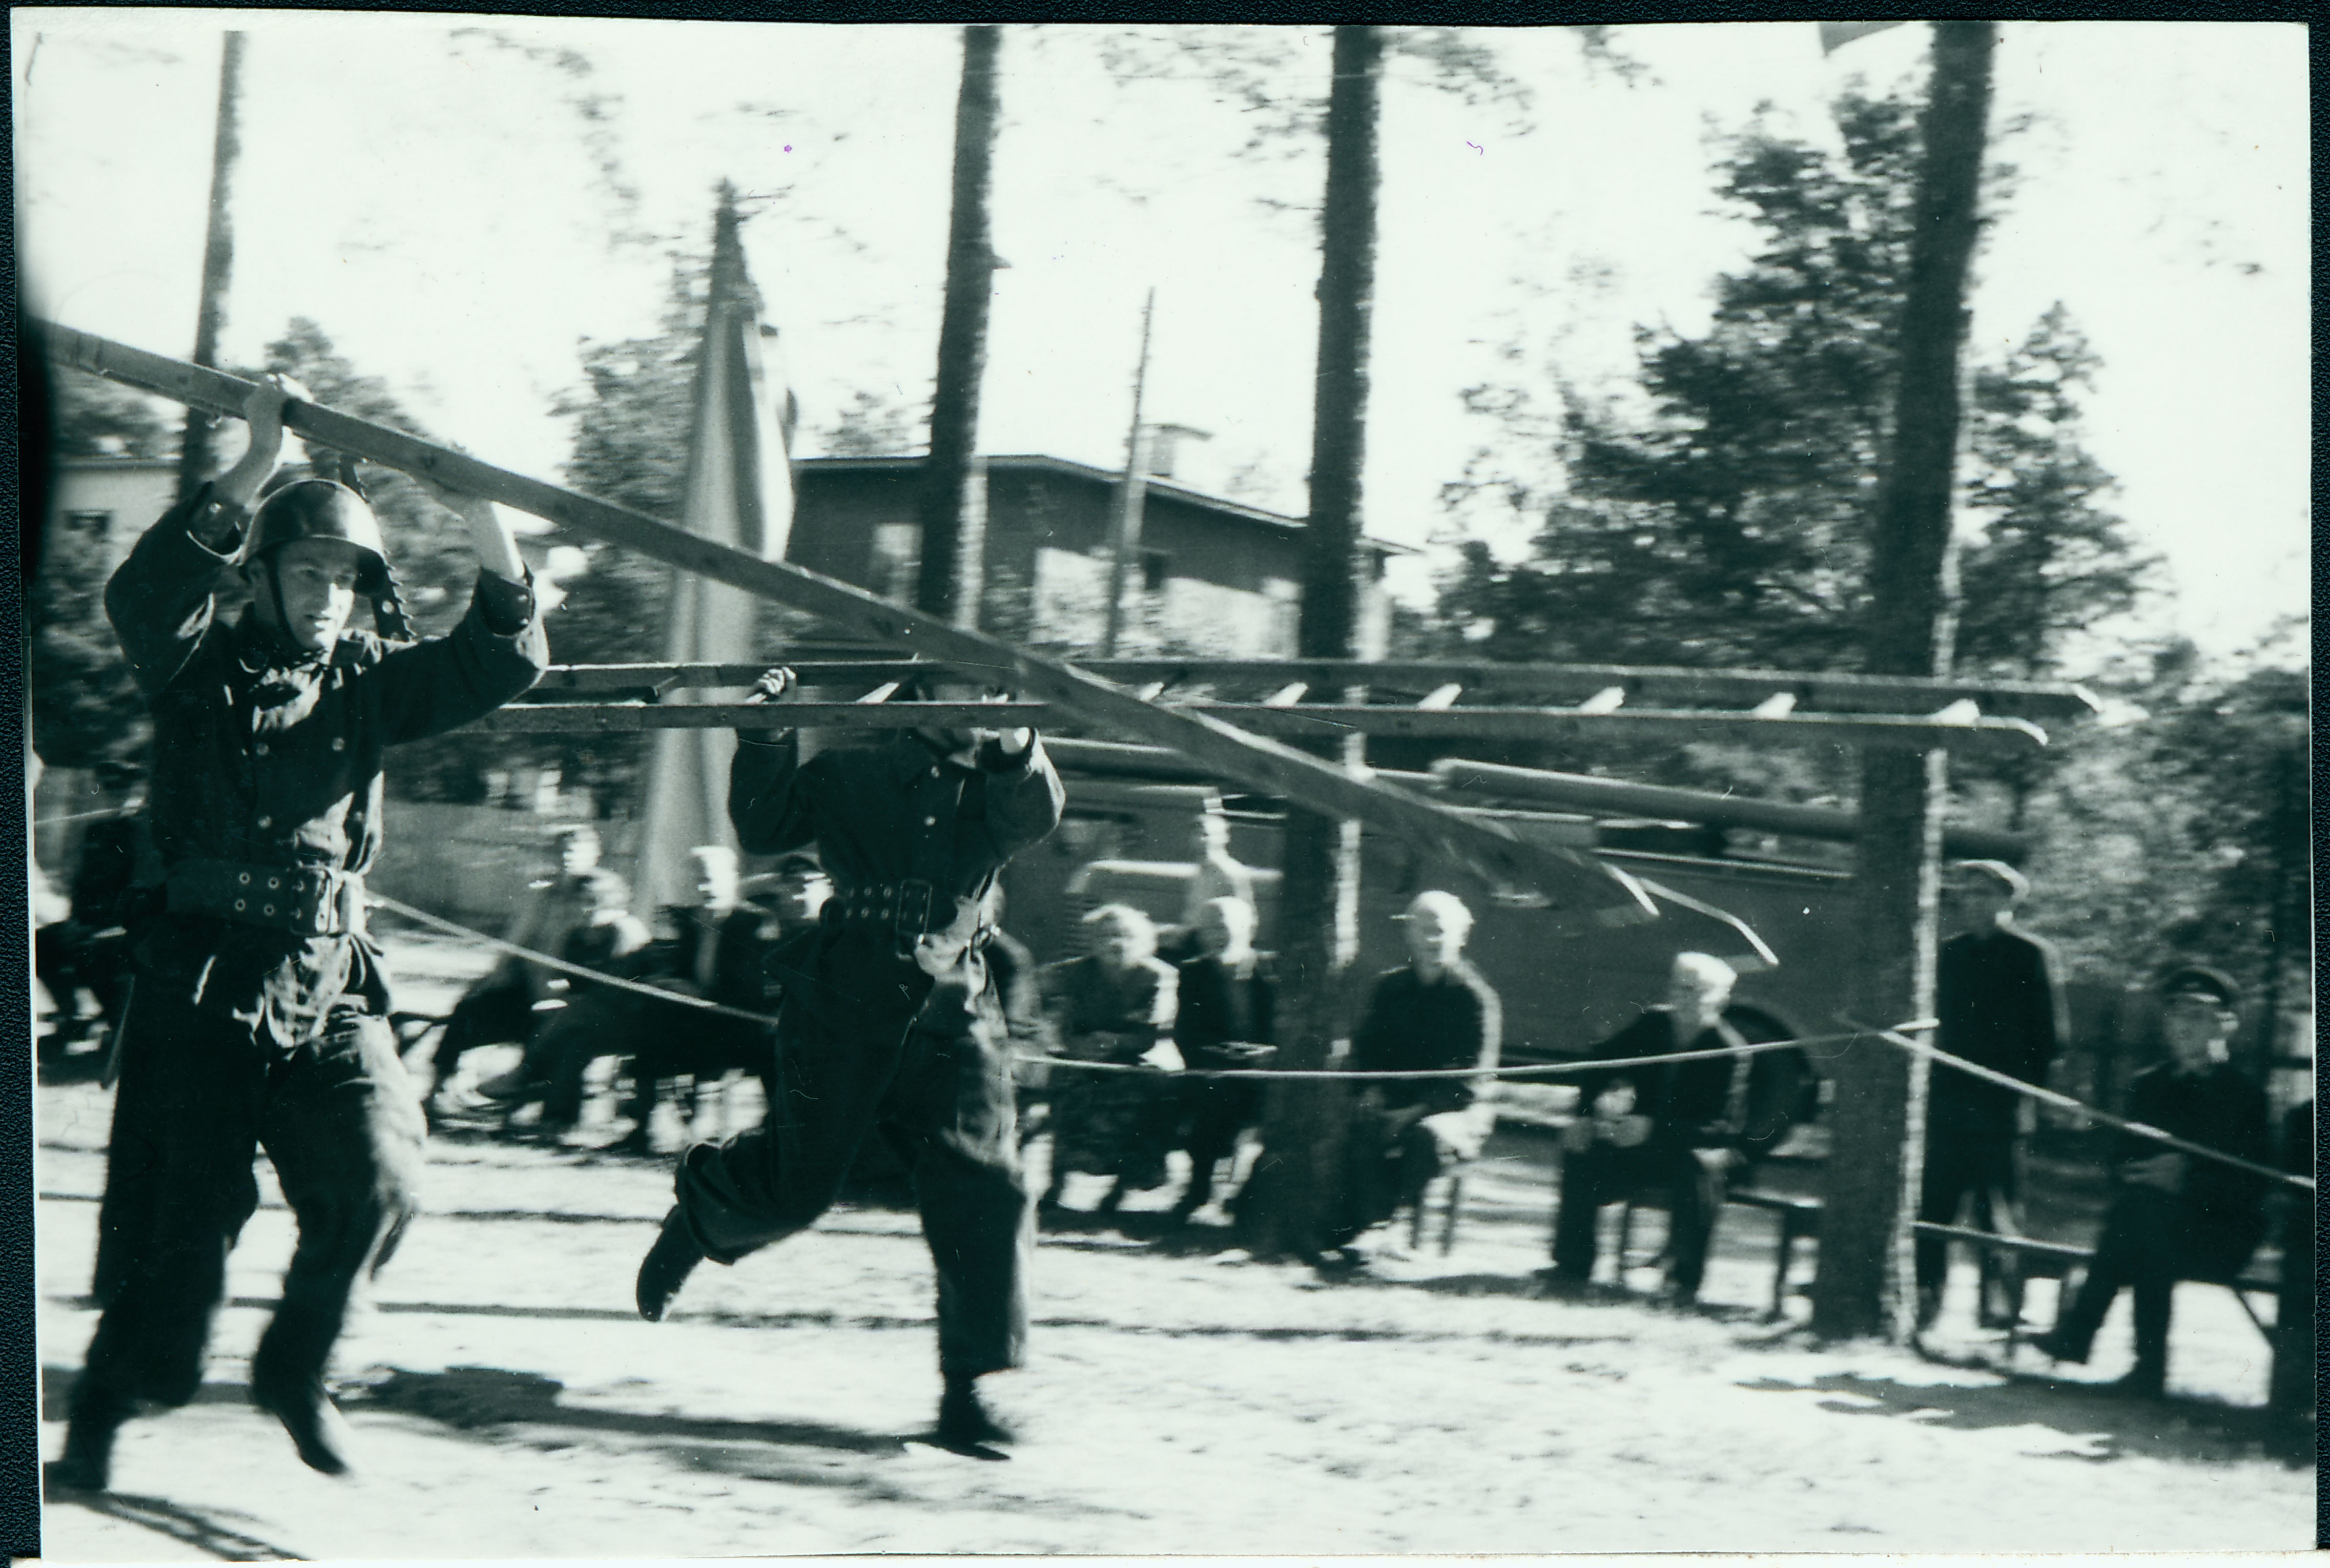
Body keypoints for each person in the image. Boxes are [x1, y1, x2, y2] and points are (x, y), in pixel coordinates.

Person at [51, 376, 547, 1493]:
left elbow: (503, 659)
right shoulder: (192, 665)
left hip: (329, 981)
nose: (329, 595)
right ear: (264, 578)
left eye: (346, 578)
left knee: (379, 1177)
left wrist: (479, 511)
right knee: (182, 1240)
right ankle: (111, 1404)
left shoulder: (371, 686)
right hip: (200, 984)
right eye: (311, 571)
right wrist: (259, 454)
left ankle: (296, 1370)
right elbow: (147, 592)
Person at [631, 666, 1065, 1452]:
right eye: (968, 689)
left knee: (984, 1180)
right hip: (843, 992)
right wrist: (766, 730)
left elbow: (1033, 817)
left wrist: (1018, 743)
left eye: (1001, 694)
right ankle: (699, 1215)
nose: (988, 705)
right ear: (922, 699)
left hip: (951, 1002)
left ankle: (967, 1394)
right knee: (800, 1183)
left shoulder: (1001, 785)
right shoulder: (854, 769)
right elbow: (762, 826)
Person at [2031, 965, 2272, 1397]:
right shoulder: (2148, 1087)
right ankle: (2144, 1370)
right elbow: (2118, 1163)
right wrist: (2134, 1173)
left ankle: (2083, 1336)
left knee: (2143, 1218)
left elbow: (2253, 1189)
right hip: (2152, 1228)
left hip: (2218, 1233)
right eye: (2176, 1014)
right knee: (2145, 1216)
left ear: (2226, 1025)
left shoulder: (2246, 1096)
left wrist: (2186, 1183)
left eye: (2198, 1016)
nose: (2183, 1026)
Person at [1545, 952, 1776, 1305]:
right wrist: (1586, 1116)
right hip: (1645, 1146)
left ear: (1721, 1000)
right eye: (1679, 988)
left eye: (1698, 991)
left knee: (1699, 1167)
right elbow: (1600, 1063)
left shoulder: (1729, 1051)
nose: (1685, 998)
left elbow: (1719, 1129)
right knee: (1580, 1149)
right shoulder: (1652, 1024)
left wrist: (1653, 1129)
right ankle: (1572, 1267)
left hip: (1694, 1150)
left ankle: (1682, 1283)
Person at [1915, 859, 2067, 1332]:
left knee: (1996, 1212)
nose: (1972, 903)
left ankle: (1999, 1309)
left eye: (1984, 894)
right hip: (1947, 1102)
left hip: (2000, 1107)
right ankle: (1924, 1302)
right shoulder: (1949, 953)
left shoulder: (2029, 954)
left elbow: (2050, 1036)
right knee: (1934, 1207)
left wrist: (2026, 1094)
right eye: (1966, 894)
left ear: (2008, 900)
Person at [1327, 891, 1501, 1260]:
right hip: (1394, 1101)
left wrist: (1410, 1114)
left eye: (1441, 931)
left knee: (1425, 1136)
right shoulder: (1390, 988)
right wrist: (1370, 1088)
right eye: (1424, 931)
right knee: (1359, 1122)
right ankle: (1353, 1223)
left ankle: (1389, 1225)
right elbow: (1365, 1049)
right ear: (1409, 935)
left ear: (1461, 936)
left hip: (1456, 1112)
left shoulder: (1474, 998)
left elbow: (1469, 1082)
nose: (1432, 940)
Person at [421, 821, 603, 1123]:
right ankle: (437, 1090)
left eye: (575, 850)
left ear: (593, 855)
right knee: (470, 1008)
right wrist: (495, 976)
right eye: (561, 850)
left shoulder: (594, 894)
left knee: (547, 1022)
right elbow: (515, 943)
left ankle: (523, 1103)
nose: (567, 857)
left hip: (567, 989)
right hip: (528, 981)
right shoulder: (541, 894)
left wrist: (555, 987)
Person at [1037, 903, 1183, 1216]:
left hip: (1132, 1058)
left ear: (1143, 941)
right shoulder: (1071, 974)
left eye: (1126, 935)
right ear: (1093, 940)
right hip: (1080, 1057)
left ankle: (1120, 1189)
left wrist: (1116, 1042)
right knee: (1065, 1085)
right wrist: (1076, 1045)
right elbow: (1053, 1021)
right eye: (1107, 935)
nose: (1116, 942)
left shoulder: (1158, 977)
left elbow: (1153, 1031)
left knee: (1147, 1094)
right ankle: (1057, 1183)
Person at [1168, 895, 1275, 1225]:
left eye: (1224, 926)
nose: (1217, 934)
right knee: (1212, 1099)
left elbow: (1286, 1027)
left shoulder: (1273, 970)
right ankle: (1201, 1189)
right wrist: (1219, 1057)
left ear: (1249, 927)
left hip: (1269, 1070)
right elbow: (1185, 1032)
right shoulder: (1193, 973)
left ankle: (1244, 1196)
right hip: (1215, 1068)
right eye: (1209, 928)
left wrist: (1267, 1055)